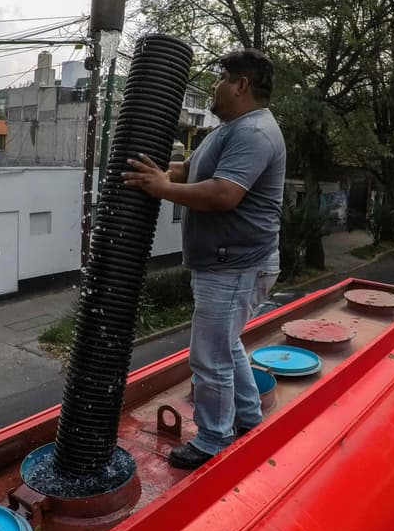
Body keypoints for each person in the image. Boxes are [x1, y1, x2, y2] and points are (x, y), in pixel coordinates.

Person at [122, 48, 285, 470]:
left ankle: (213, 440)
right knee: (225, 346)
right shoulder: (228, 130)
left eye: (220, 78)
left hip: (236, 266)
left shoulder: (254, 133)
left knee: (209, 358)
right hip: (225, 264)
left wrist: (161, 189)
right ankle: (248, 417)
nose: (214, 87)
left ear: (241, 84)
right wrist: (158, 173)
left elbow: (223, 193)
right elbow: (189, 171)